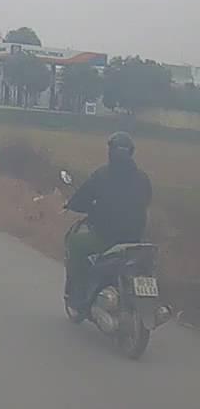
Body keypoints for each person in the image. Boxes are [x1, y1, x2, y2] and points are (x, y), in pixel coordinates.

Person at [63, 131, 153, 308]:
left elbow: (82, 199)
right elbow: (147, 201)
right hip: (134, 240)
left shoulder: (102, 175)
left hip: (106, 238)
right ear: (131, 152)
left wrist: (72, 204)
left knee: (75, 243)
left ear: (110, 151)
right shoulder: (143, 178)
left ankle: (78, 295)